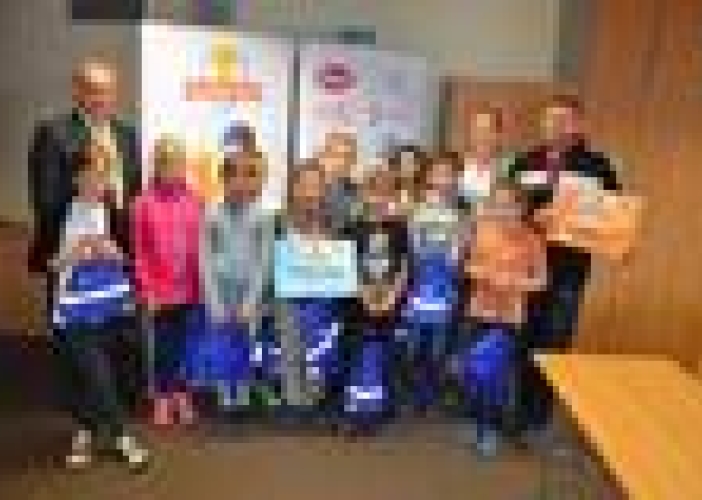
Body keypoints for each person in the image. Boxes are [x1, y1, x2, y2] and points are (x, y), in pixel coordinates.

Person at [28, 58, 144, 413]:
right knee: (76, 338)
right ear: (77, 91)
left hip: (117, 253)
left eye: (107, 91)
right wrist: (88, 228)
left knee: (117, 332)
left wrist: (121, 243)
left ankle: (113, 407)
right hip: (75, 253)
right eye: (93, 90)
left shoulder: (127, 134)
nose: (100, 98)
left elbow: (134, 192)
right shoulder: (53, 132)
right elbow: (45, 199)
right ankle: (81, 414)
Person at [507, 95, 622, 442]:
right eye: (549, 119)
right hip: (523, 268)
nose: (554, 126)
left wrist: (611, 238)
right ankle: (515, 409)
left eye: (563, 119)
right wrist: (530, 216)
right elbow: (506, 206)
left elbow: (614, 217)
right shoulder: (524, 161)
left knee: (554, 343)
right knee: (521, 338)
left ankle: (539, 417)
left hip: (567, 271)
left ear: (578, 124)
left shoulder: (598, 166)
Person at [50, 140, 149, 469]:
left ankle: (84, 431)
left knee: (100, 373)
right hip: (72, 308)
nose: (98, 182)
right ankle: (122, 436)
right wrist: (72, 256)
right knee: (94, 372)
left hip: (110, 306)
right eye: (91, 174)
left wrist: (113, 253)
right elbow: (43, 262)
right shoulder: (58, 211)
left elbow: (127, 259)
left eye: (104, 174)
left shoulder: (114, 212)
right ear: (76, 176)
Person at [455, 181, 547, 457]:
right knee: (473, 371)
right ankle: (474, 420)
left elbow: (542, 280)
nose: (503, 210)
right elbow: (466, 267)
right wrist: (485, 274)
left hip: (509, 317)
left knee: (499, 377)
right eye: (497, 204)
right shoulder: (481, 231)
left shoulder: (533, 239)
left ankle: (492, 428)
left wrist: (515, 282)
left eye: (509, 205)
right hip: (478, 312)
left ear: (522, 208)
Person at [190, 148, 276, 415]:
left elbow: (264, 261)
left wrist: (251, 302)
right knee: (222, 341)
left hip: (249, 291)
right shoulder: (211, 213)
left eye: (246, 177)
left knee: (246, 341)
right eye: (233, 178)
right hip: (220, 289)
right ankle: (225, 394)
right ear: (224, 180)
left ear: (253, 181)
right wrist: (214, 301)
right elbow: (204, 257)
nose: (239, 184)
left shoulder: (264, 215)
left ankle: (243, 392)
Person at [132, 136, 202, 428]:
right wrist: (146, 289)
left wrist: (203, 286)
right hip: (159, 291)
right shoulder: (142, 203)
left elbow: (202, 246)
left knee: (187, 345)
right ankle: (162, 397)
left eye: (177, 164)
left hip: (191, 288)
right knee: (163, 346)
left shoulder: (195, 200)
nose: (172, 170)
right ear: (157, 167)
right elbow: (139, 252)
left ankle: (182, 395)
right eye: (166, 164)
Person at [343, 165, 412, 434]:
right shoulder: (352, 228)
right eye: (373, 191)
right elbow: (347, 265)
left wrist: (391, 297)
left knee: (386, 354)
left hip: (391, 301)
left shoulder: (400, 227)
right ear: (363, 193)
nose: (379, 198)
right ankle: (355, 409)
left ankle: (380, 408)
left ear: (392, 195)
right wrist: (366, 297)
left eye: (386, 192)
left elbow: (404, 266)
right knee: (358, 352)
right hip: (358, 301)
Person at [402, 152, 466, 413]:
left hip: (447, 283)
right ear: (427, 175)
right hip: (417, 282)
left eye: (448, 173)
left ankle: (430, 392)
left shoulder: (464, 209)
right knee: (414, 340)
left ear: (456, 177)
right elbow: (408, 243)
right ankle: (411, 389)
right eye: (437, 172)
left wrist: (455, 254)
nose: (442, 179)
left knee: (440, 342)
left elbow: (465, 247)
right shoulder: (414, 205)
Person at [459, 106, 512, 207]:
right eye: (478, 130)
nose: (483, 136)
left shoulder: (511, 169)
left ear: (499, 135)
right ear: (470, 134)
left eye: (488, 130)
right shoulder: (456, 168)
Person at [317, 130, 361, 233]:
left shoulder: (356, 193)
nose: (343, 162)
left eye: (348, 156)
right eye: (336, 155)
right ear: (323, 156)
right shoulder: (307, 188)